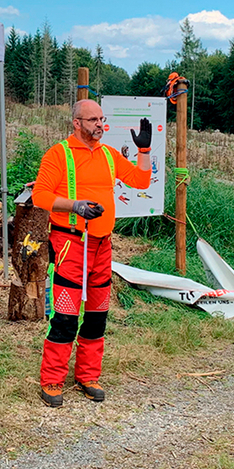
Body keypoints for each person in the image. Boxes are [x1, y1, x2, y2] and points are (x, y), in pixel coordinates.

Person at [31, 99, 152, 407]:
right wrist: (76, 206)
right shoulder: (59, 154)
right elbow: (41, 196)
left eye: (102, 118)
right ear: (77, 123)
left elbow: (140, 180)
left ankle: (88, 376)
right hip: (71, 243)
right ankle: (52, 380)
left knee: (97, 315)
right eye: (93, 119)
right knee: (66, 316)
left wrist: (145, 151)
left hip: (102, 245)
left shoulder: (109, 155)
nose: (100, 124)